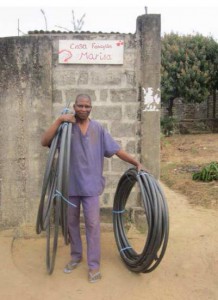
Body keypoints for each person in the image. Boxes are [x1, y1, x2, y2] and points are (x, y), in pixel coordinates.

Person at [41, 94, 143, 283]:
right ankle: (76, 255)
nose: (83, 109)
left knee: (93, 225)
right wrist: (59, 119)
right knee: (71, 223)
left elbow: (116, 150)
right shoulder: (65, 128)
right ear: (74, 106)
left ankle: (94, 265)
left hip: (91, 187)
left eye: (87, 106)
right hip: (70, 187)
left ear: (91, 108)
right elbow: (45, 141)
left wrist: (135, 161)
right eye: (80, 105)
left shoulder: (98, 129)